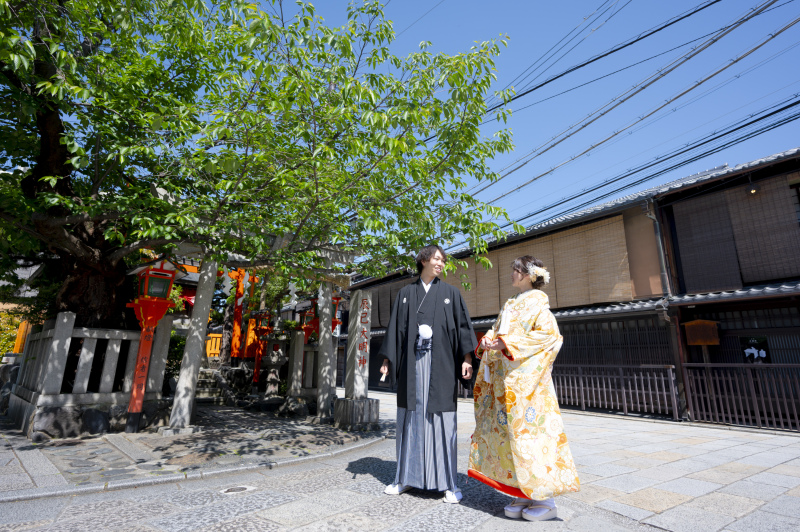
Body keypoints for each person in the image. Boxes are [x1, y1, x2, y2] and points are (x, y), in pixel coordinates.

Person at [469, 255, 579, 521]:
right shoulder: (509, 305)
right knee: (511, 437)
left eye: (517, 270)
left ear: (531, 275)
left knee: (532, 437)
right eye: (514, 269)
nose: (513, 274)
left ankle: (546, 499)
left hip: (528, 385)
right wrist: (488, 342)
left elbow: (548, 337)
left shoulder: (540, 306)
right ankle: (522, 491)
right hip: (507, 382)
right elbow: (497, 333)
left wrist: (507, 345)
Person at [379, 244, 476, 503]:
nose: (441, 263)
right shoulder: (406, 294)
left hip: (441, 364)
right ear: (423, 261)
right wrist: (388, 359)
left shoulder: (451, 294)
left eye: (443, 260)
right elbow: (397, 329)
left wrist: (467, 358)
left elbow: (462, 328)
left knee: (442, 420)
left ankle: (448, 483)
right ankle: (405, 478)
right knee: (410, 417)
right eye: (436, 259)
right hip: (412, 365)